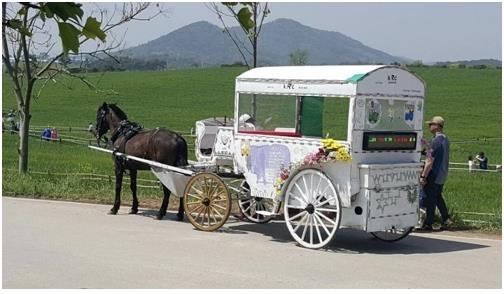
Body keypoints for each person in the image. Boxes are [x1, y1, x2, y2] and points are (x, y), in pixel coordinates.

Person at [417, 116, 453, 232]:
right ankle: (446, 219)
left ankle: (428, 223)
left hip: (434, 174)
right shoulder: (444, 139)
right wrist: (423, 141)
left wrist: (423, 176)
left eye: (431, 124)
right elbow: (431, 150)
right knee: (437, 197)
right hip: (443, 173)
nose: (429, 126)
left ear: (437, 126)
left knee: (429, 199)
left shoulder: (435, 141)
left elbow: (429, 161)